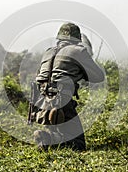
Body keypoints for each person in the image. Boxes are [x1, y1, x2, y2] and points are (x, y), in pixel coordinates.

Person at [33, 23, 105, 151]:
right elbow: (98, 76)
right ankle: (48, 139)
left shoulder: (48, 52)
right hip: (62, 101)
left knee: (65, 132)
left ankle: (49, 137)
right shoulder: (79, 51)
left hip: (42, 102)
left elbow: (40, 76)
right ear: (77, 38)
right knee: (79, 144)